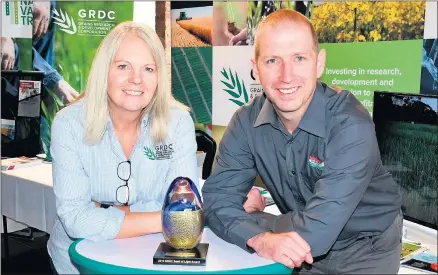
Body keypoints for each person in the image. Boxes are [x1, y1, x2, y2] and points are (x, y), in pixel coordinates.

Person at [202, 9, 403, 275]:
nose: (286, 76)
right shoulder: (244, 123)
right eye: (273, 60)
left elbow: (317, 233)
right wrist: (257, 237)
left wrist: (252, 221)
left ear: (319, 63)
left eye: (299, 58)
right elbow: (217, 200)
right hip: (295, 248)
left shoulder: (349, 123)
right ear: (256, 68)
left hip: (367, 250)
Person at [47, 21, 199, 274]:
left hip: (148, 260)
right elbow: (75, 221)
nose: (136, 79)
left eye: (148, 68)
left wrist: (104, 211)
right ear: (104, 71)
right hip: (78, 265)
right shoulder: (69, 123)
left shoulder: (178, 123)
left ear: (159, 77)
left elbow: (185, 208)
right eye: (123, 66)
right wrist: (164, 217)